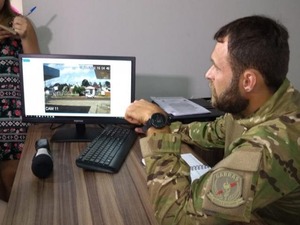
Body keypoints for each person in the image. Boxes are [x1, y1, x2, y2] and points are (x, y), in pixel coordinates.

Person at [125, 15, 300, 224]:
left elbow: (178, 219)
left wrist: (157, 127)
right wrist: (167, 127)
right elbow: (215, 131)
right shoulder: (258, 104)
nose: (208, 74)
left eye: (216, 67)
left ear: (248, 81)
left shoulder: (272, 145)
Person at [0, 0, 40, 202]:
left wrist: (27, 35)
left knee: (13, 182)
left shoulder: (18, 23)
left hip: (11, 119)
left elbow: (36, 72)